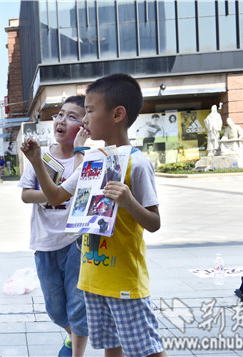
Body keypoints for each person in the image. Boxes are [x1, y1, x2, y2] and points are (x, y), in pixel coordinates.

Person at [21, 74, 166, 357]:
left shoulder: (137, 164)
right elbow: (56, 196)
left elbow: (154, 222)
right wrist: (37, 162)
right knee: (110, 348)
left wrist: (128, 201)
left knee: (147, 350)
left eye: (89, 110)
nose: (84, 119)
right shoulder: (92, 161)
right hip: (92, 276)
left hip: (124, 280)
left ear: (117, 114)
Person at [18, 95, 90, 357]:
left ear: (85, 127)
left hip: (76, 242)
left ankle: (76, 351)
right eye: (60, 114)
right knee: (55, 308)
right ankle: (73, 335)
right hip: (45, 241)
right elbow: (26, 194)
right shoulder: (42, 156)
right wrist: (54, 193)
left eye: (72, 116)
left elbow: (81, 187)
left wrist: (80, 151)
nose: (62, 120)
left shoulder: (87, 158)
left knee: (77, 304)